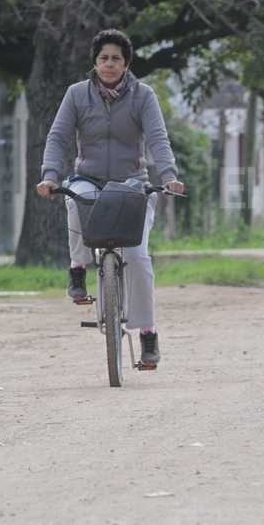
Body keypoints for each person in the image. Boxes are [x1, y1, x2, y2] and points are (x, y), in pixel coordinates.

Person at [35, 29, 185, 368]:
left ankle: (147, 334)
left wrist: (170, 176)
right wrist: (49, 176)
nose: (109, 64)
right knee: (74, 199)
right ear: (95, 61)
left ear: (127, 63)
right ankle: (77, 269)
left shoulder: (143, 96)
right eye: (103, 58)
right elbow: (58, 138)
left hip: (132, 184)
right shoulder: (76, 95)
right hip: (89, 179)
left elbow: (158, 139)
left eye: (116, 58)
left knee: (138, 257)